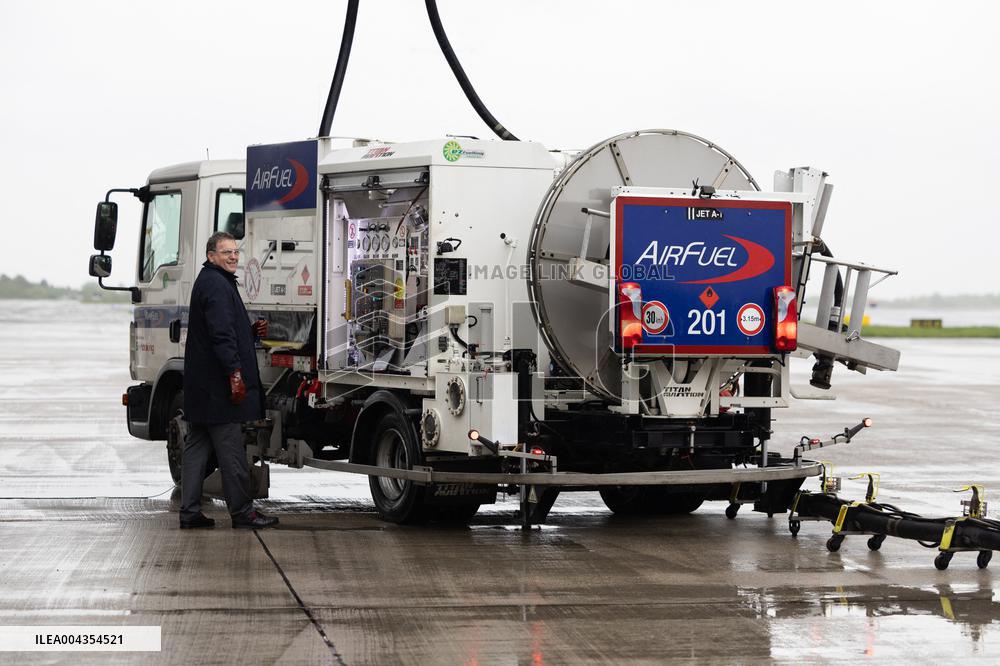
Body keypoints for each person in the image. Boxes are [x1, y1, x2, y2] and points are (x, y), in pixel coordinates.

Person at [179, 231, 278, 530]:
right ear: (211, 256)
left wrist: (250, 333)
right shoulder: (217, 285)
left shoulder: (211, 281)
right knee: (231, 450)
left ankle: (190, 512)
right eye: (226, 252)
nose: (233, 256)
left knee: (196, 449)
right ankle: (242, 513)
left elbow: (222, 330)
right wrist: (235, 374)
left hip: (201, 387)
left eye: (235, 252)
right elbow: (221, 335)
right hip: (219, 389)